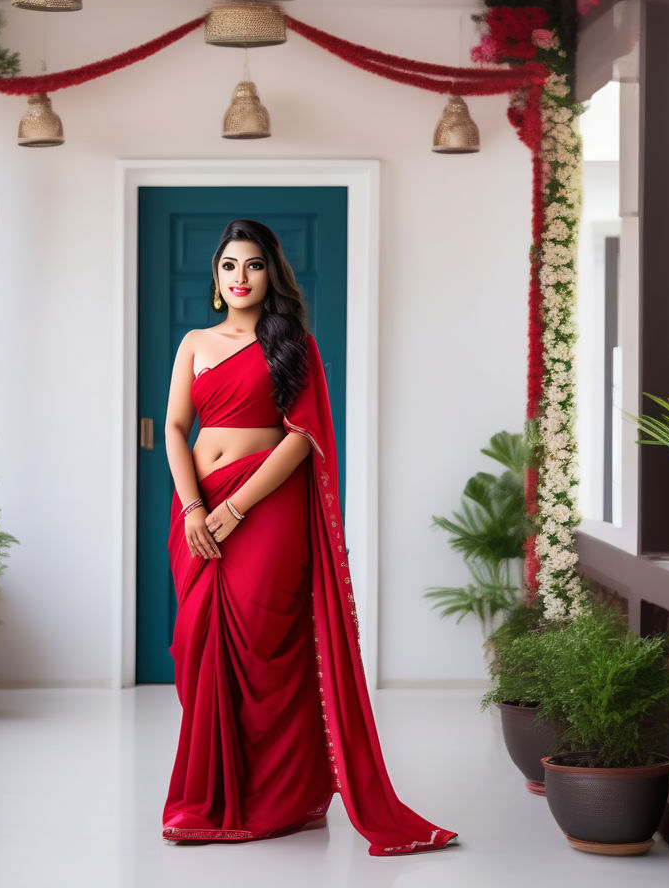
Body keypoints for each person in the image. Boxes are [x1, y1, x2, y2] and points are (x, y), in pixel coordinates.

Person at [161, 218, 457, 856]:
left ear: (272, 275)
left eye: (254, 266)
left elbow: (304, 436)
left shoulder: (291, 341)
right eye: (229, 267)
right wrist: (192, 508)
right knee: (195, 646)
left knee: (267, 645)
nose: (241, 278)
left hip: (263, 510)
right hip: (197, 510)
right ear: (215, 279)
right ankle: (209, 798)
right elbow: (174, 428)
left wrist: (235, 506)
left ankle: (279, 798)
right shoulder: (193, 343)